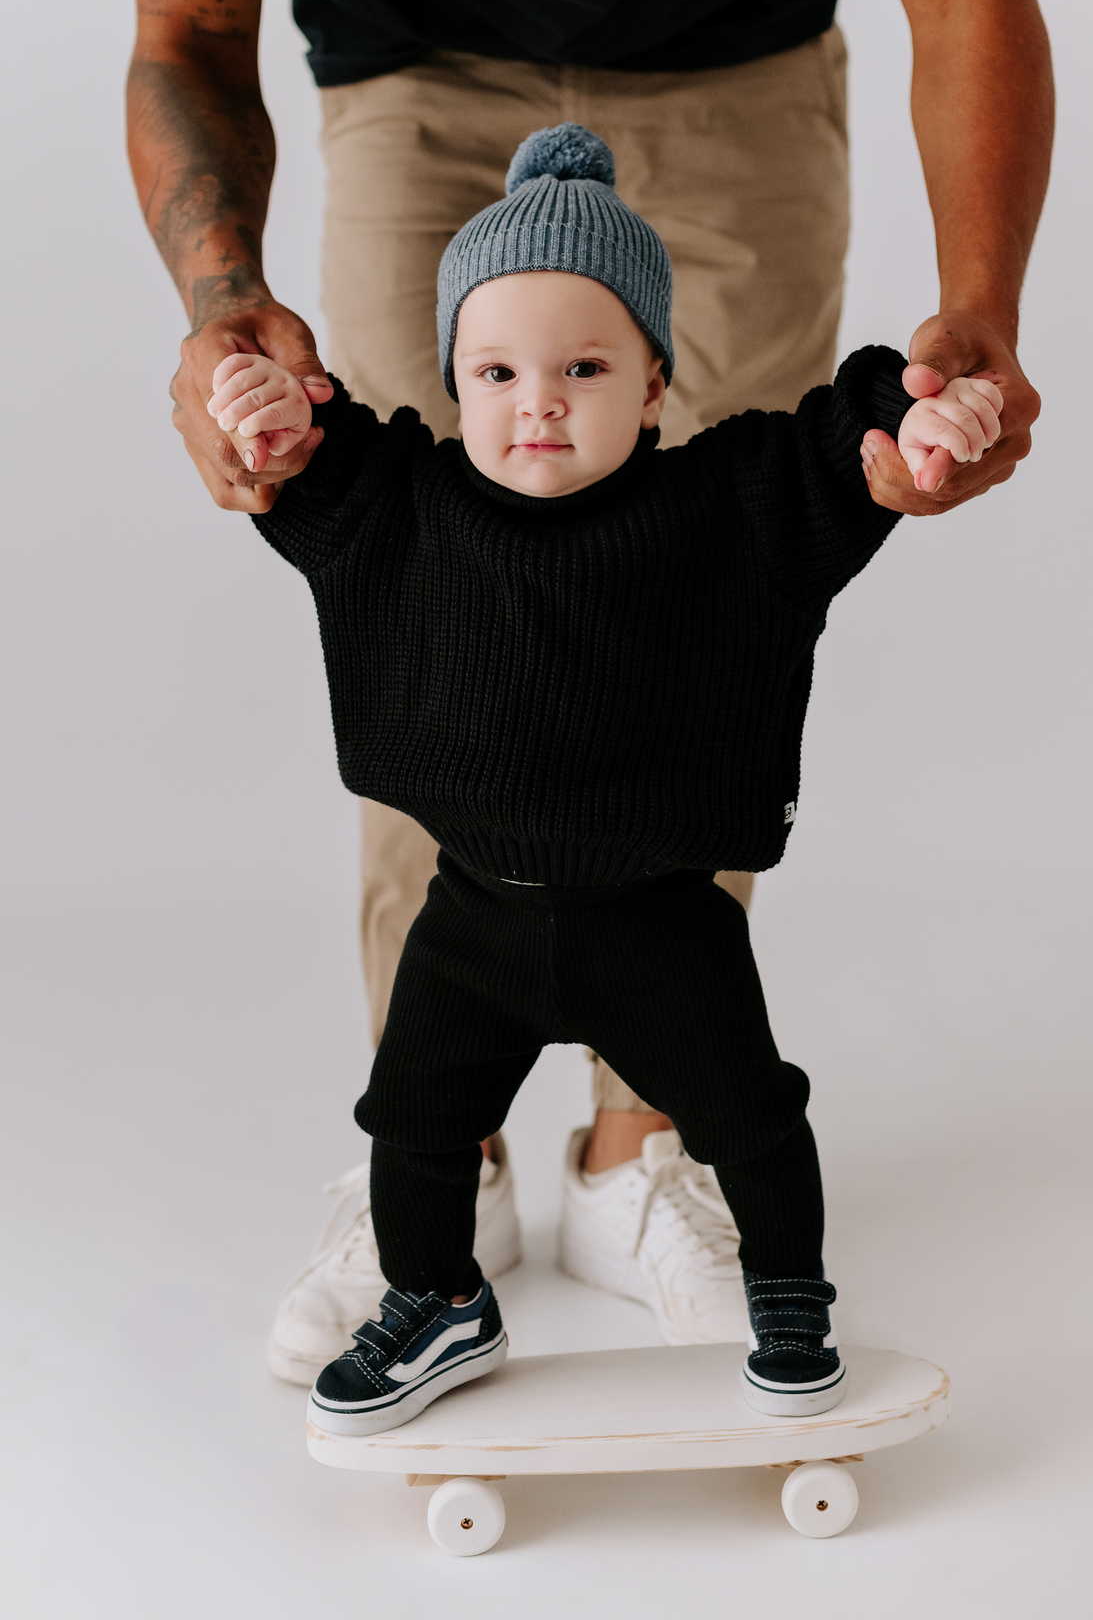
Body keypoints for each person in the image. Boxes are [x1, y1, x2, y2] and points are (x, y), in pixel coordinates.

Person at [99, 0, 1051, 1364]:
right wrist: (224, 310)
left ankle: (644, 1153)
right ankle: (437, 1172)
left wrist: (979, 315)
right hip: (415, 58)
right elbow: (184, 28)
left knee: (714, 593)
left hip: (736, 58)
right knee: (419, 594)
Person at [209, 123, 1002, 1431]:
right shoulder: (407, 505)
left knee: (752, 1117)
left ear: (652, 385)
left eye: (584, 367)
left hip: (660, 922)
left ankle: (789, 1291)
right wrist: (269, 413)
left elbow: (833, 441)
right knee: (410, 1122)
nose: (539, 401)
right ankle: (435, 1300)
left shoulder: (724, 506)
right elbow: (310, 457)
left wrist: (917, 413)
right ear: (454, 382)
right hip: (476, 921)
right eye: (497, 371)